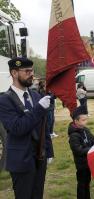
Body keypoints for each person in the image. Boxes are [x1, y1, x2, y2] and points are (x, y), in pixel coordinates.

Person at [0, 57, 54, 199]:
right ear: (14, 73)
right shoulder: (4, 100)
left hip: (39, 158)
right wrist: (39, 109)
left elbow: (44, 126)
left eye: (32, 70)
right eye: (27, 71)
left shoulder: (35, 95)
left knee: (37, 195)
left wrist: (49, 150)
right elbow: (17, 128)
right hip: (21, 160)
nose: (32, 74)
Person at [68, 105, 94, 199]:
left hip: (88, 162)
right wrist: (91, 149)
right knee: (81, 184)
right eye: (83, 120)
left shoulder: (85, 130)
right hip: (81, 164)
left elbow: (93, 140)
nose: (86, 122)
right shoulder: (74, 136)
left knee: (87, 183)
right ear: (76, 121)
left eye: (86, 119)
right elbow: (78, 150)